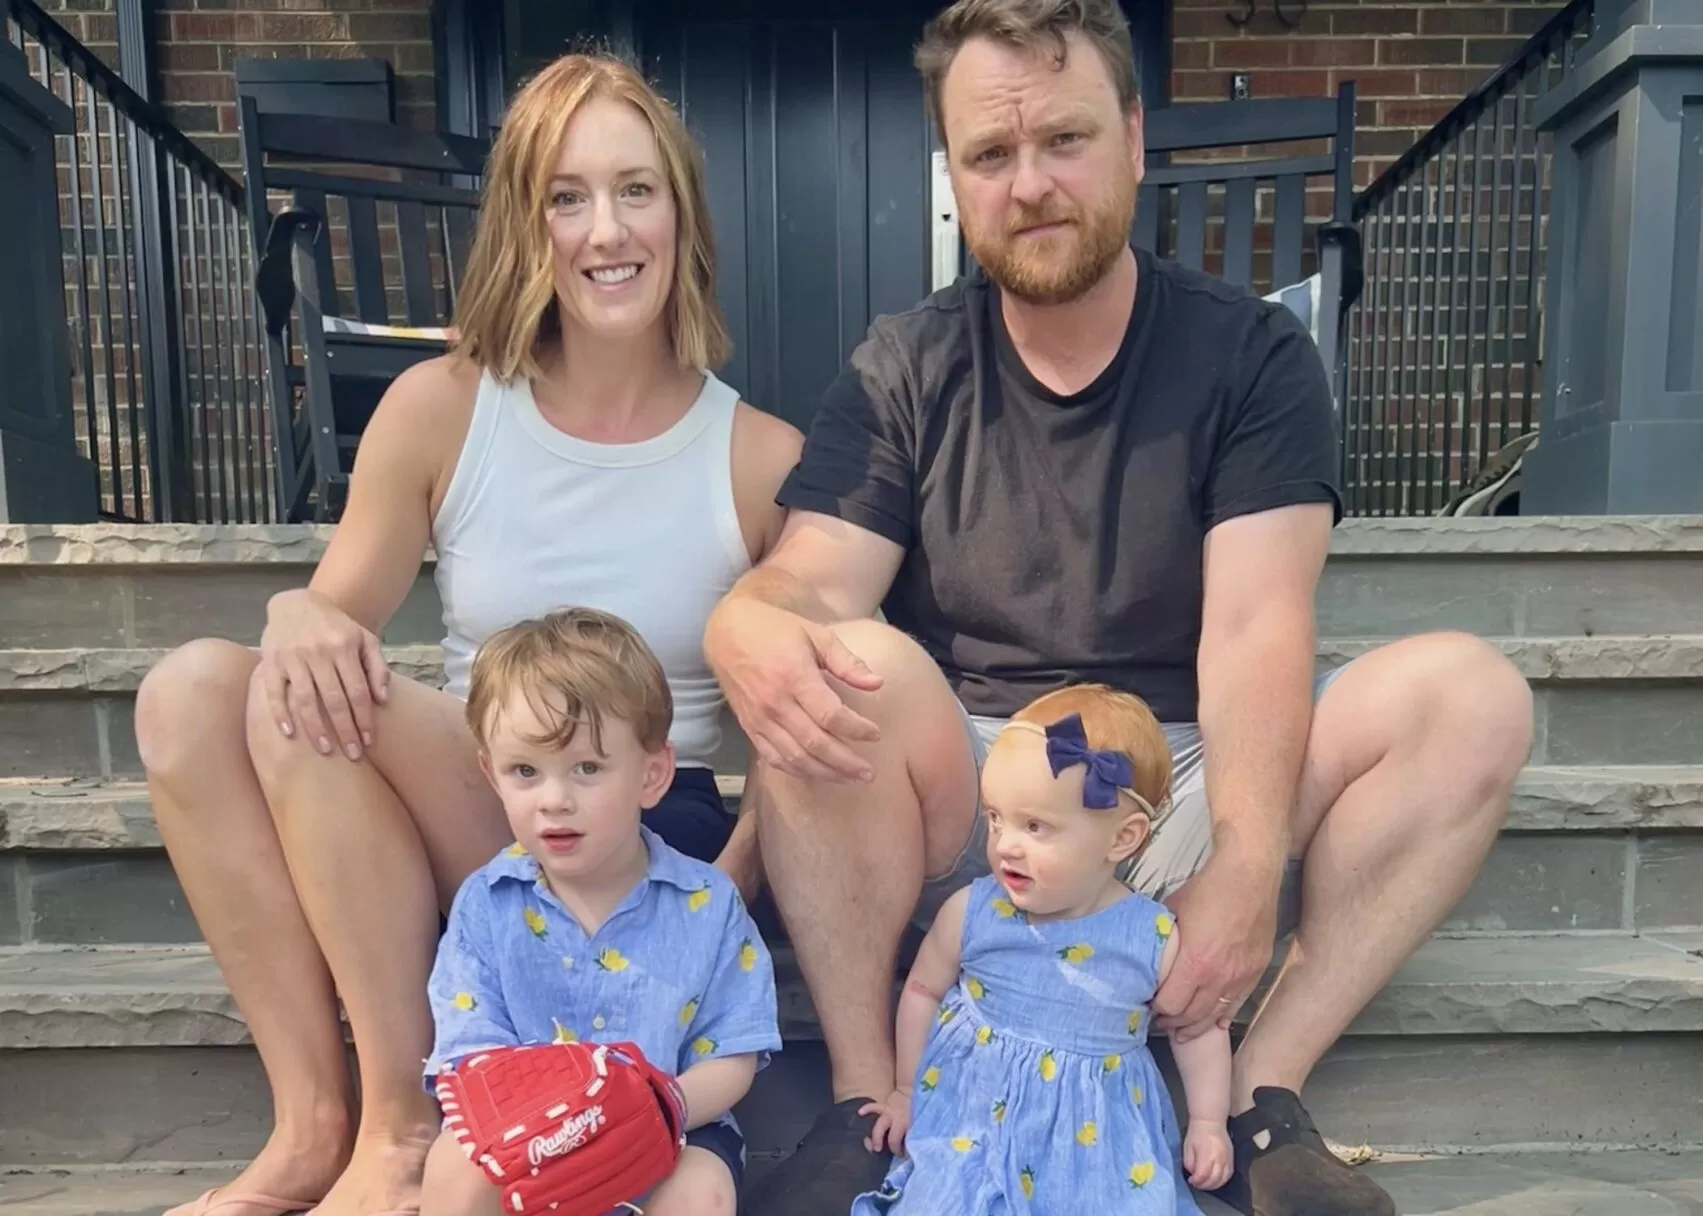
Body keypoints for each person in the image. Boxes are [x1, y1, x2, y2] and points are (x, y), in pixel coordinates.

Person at [701, 0, 1535, 1213]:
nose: (1029, 183)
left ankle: (1257, 1100)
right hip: (981, 800)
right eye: (990, 154)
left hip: (1180, 778)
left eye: (1065, 140)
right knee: (832, 659)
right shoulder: (905, 364)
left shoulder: (1247, 356)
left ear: (1134, 139)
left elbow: (1255, 627)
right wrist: (747, 619)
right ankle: (866, 1104)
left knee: (1472, 696)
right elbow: (811, 575)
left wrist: (1246, 863)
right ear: (954, 176)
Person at [132, 51, 802, 1216]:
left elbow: (797, 719)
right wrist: (300, 606)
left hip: (649, 810)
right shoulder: (446, 406)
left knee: (305, 704)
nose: (607, 230)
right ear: (524, 225)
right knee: (197, 687)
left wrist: (729, 885)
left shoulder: (757, 456)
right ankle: (328, 1124)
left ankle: (400, 1133)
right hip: (487, 788)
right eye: (567, 196)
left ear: (680, 216)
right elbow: (335, 604)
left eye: (637, 190)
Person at [419, 608, 781, 1216]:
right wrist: (552, 1126)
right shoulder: (487, 902)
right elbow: (470, 1053)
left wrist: (659, 1108)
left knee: (701, 1189)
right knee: (454, 1165)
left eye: (587, 769)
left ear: (652, 774)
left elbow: (734, 1050)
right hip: (521, 1129)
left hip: (675, 1123)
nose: (555, 800)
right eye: (525, 772)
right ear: (491, 775)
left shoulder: (707, 904)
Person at [851, 684, 1231, 1215]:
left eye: (1035, 826)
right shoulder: (974, 910)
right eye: (996, 818)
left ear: (1122, 839)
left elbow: (1198, 1030)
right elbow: (921, 989)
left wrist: (1209, 1121)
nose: (1006, 843)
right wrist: (904, 1090)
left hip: (1095, 1136)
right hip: (974, 1114)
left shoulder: (1151, 936)